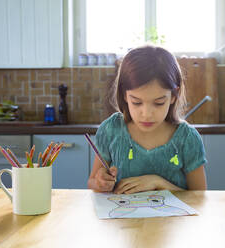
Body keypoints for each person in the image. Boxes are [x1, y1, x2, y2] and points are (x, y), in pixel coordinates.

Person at [87, 45, 207, 194]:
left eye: (158, 103)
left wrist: (158, 183)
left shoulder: (187, 139)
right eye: (136, 102)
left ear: (174, 96)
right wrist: (100, 182)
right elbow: (92, 182)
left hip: (172, 218)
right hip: (122, 217)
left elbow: (200, 196)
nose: (146, 114)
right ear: (125, 95)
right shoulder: (111, 130)